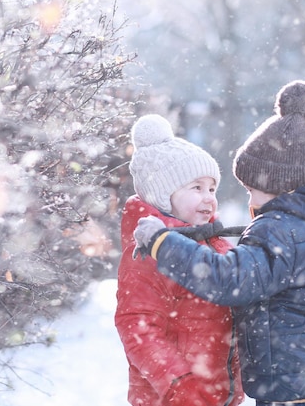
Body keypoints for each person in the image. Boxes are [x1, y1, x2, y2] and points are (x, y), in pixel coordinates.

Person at [132, 81, 305, 406]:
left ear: (278, 183)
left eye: (252, 189)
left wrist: (161, 243)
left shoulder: (280, 229)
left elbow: (231, 279)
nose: (249, 197)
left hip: (292, 384)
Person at [115, 114, 245, 406]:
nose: (208, 198)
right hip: (172, 397)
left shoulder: (217, 245)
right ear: (164, 196)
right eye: (196, 188)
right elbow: (137, 325)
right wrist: (178, 383)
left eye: (212, 188)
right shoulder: (149, 252)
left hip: (217, 395)